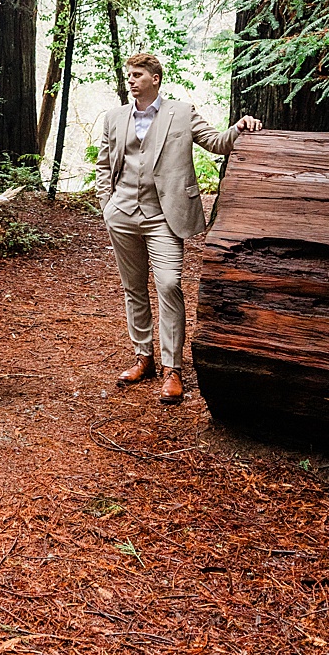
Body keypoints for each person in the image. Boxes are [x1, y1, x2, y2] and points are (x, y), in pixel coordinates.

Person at [94, 51, 260, 405]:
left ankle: (173, 369)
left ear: (155, 79)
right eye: (129, 75)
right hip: (121, 214)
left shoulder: (181, 113)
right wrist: (106, 204)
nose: (131, 80)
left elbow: (216, 142)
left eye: (138, 75)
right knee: (133, 287)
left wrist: (240, 126)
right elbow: (103, 165)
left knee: (169, 285)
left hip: (164, 216)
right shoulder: (114, 117)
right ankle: (144, 357)